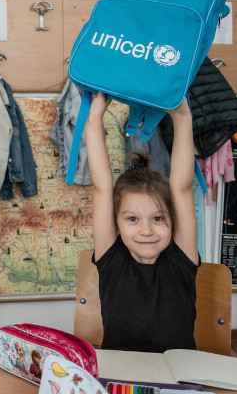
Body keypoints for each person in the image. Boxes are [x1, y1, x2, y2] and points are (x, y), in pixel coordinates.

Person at [85, 92, 200, 352]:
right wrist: (95, 117)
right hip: (121, 377)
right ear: (116, 225)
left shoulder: (181, 259)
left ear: (173, 221)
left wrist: (182, 117)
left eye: (158, 218)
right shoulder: (111, 258)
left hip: (179, 377)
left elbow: (181, 187)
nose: (146, 230)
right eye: (132, 219)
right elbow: (102, 186)